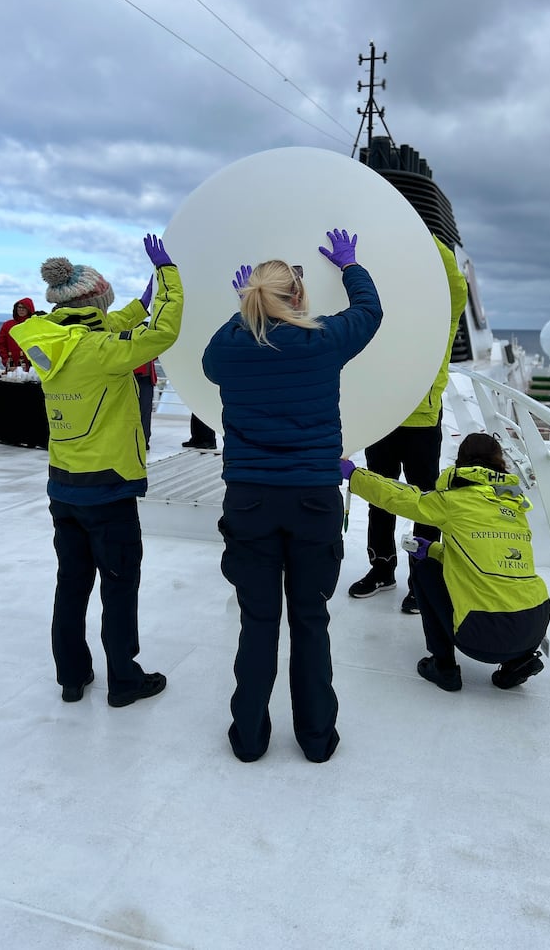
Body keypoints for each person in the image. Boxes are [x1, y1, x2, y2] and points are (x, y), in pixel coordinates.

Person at [203, 228, 383, 763]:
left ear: (249, 297)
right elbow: (370, 312)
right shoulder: (324, 339)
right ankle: (316, 739)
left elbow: (212, 365)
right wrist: (351, 266)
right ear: (299, 297)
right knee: (310, 619)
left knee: (257, 621)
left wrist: (242, 312)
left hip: (250, 502)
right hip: (312, 500)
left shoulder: (230, 346)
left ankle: (250, 738)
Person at [10, 235, 183, 708]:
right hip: (108, 491)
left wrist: (138, 303)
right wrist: (168, 278)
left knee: (71, 583)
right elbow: (162, 333)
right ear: (97, 301)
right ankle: (124, 680)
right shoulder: (104, 352)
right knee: (119, 586)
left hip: (64, 487)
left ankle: (72, 675)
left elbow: (100, 326)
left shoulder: (53, 340)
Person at [341, 432, 550, 691]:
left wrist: (354, 475)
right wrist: (433, 549)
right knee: (503, 580)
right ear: (500, 464)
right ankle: (517, 662)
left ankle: (444, 666)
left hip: (482, 637)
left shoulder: (455, 501)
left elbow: (400, 497)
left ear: (460, 462)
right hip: (534, 627)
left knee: (425, 570)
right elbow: (483, 556)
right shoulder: (516, 508)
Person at [348, 235, 468, 613]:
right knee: (379, 497)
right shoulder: (382, 323)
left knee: (426, 504)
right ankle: (381, 568)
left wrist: (419, 232)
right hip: (382, 419)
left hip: (422, 422)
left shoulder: (443, 319)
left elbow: (455, 285)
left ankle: (422, 579)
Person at [0, 298, 35, 370]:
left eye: (24, 307)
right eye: (19, 307)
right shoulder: (7, 325)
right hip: (12, 364)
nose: (21, 310)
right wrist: (6, 360)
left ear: (29, 309)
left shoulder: (34, 325)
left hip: (32, 366)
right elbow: (1, 344)